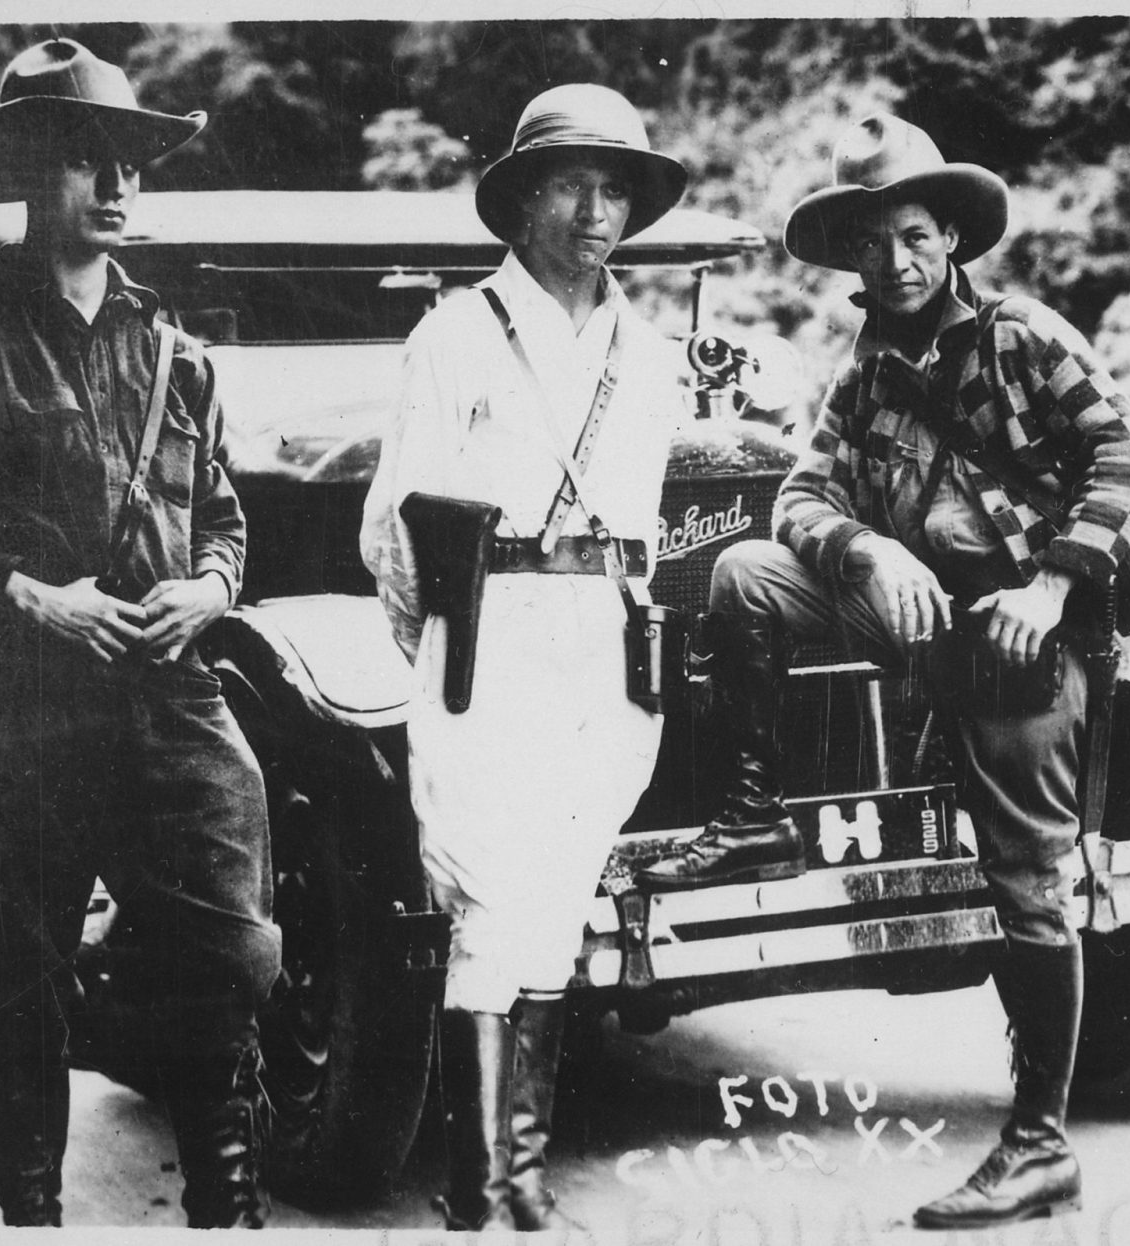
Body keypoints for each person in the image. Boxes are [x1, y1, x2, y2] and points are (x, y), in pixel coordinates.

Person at [636, 113, 1130, 1228]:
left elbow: (1123, 454)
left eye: (913, 234)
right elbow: (799, 495)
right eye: (872, 242)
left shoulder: (1024, 337)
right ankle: (754, 814)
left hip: (1023, 628)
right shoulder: (866, 369)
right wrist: (867, 547)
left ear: (950, 239)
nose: (893, 260)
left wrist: (1047, 589)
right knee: (744, 571)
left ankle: (1039, 1144)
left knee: (1026, 879)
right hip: (911, 612)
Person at [0, 39, 280, 1228]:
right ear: (36, 173)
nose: (117, 186)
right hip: (26, 701)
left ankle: (224, 1203)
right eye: (88, 161)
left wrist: (214, 588)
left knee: (229, 953)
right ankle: (32, 1209)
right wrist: (31, 594)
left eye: (129, 162)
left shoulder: (171, 347)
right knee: (22, 968)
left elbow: (226, 520)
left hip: (168, 692)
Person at [359, 83, 688, 1231]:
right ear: (519, 201)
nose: (596, 212)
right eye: (570, 184)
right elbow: (394, 534)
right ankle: (479, 1191)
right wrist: (446, 646)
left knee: (554, 907)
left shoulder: (648, 357)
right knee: (488, 904)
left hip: (600, 653)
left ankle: (523, 1179)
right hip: (484, 643)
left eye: (616, 189)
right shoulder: (452, 335)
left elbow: (644, 530)